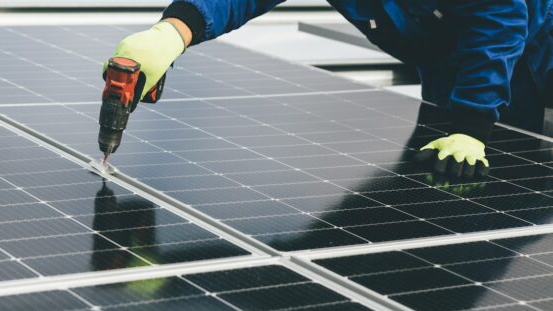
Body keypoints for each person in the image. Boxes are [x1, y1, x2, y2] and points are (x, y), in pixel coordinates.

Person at [105, 1, 553, 178]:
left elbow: (499, 21)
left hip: (531, 52)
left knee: (509, 168)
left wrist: (474, 123)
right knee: (439, 169)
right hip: (446, 57)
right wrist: (175, 30)